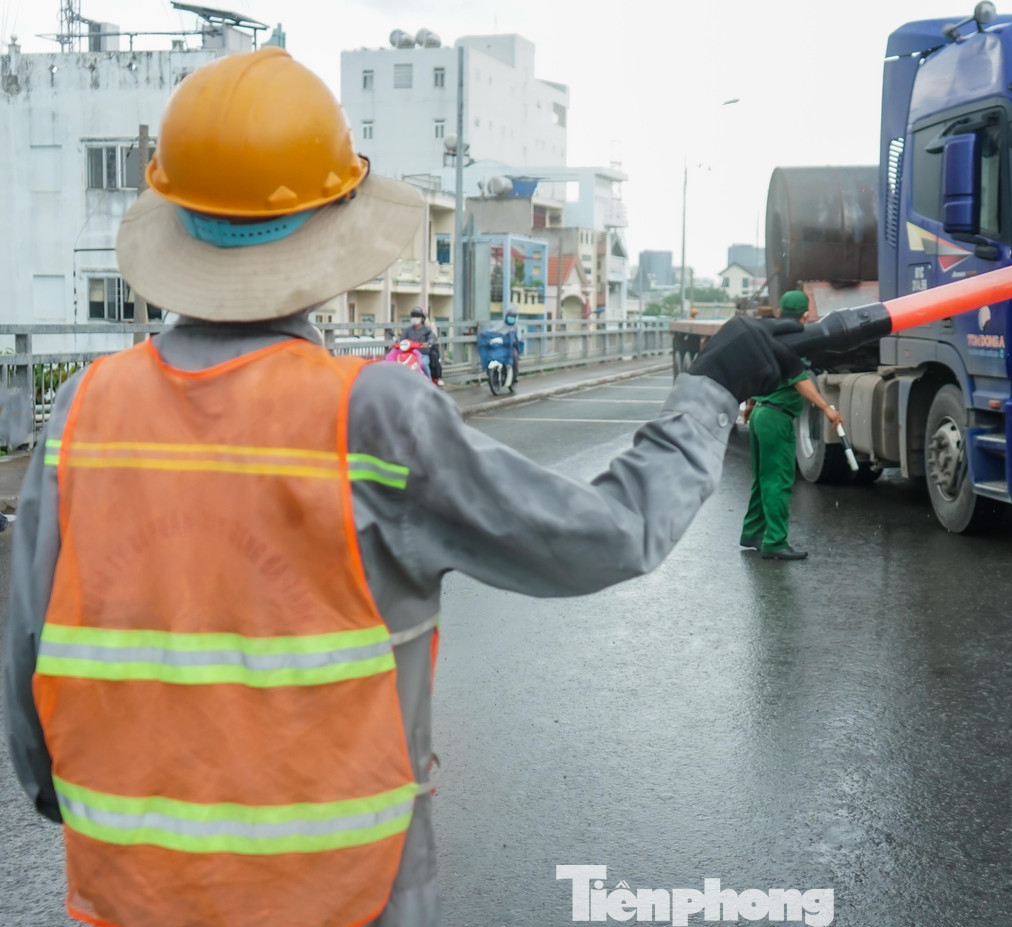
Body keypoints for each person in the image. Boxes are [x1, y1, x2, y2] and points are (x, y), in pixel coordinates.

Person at [1, 47, 798, 927]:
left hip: (129, 896)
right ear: (330, 224)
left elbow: (32, 668)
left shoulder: (82, 411)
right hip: (344, 898)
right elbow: (610, 533)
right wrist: (709, 393)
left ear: (177, 221)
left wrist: (95, 805)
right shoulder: (372, 415)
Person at [740, 290, 844, 561]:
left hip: (761, 413)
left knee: (763, 479)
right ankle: (775, 542)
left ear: (779, 312)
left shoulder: (769, 338)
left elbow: (757, 374)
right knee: (778, 480)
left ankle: (753, 533)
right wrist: (827, 408)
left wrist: (750, 404)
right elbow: (801, 382)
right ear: (806, 315)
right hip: (777, 418)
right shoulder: (795, 342)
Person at [402, 307, 442, 383]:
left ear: (422, 319)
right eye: (413, 316)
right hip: (409, 355)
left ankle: (429, 382)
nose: (415, 318)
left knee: (423, 364)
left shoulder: (427, 330)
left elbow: (431, 339)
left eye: (417, 316)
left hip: (423, 354)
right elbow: (402, 340)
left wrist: (428, 343)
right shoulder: (407, 330)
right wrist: (396, 344)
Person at [487, 308, 525, 383]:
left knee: (514, 356)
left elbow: (519, 337)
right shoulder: (500, 324)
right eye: (510, 316)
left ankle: (515, 374)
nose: (511, 318)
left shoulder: (516, 327)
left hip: (511, 346)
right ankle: (491, 373)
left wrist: (515, 340)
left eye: (513, 317)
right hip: (500, 345)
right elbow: (492, 331)